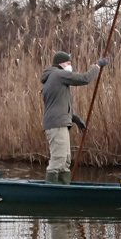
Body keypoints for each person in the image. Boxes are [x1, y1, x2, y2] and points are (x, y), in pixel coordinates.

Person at [41, 50, 109, 184]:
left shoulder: (54, 78)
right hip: (57, 124)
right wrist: (98, 66)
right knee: (59, 159)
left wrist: (75, 119)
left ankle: (63, 187)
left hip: (59, 122)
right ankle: (51, 192)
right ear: (60, 63)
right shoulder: (58, 74)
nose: (70, 66)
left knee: (65, 160)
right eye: (68, 63)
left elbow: (58, 106)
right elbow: (85, 79)